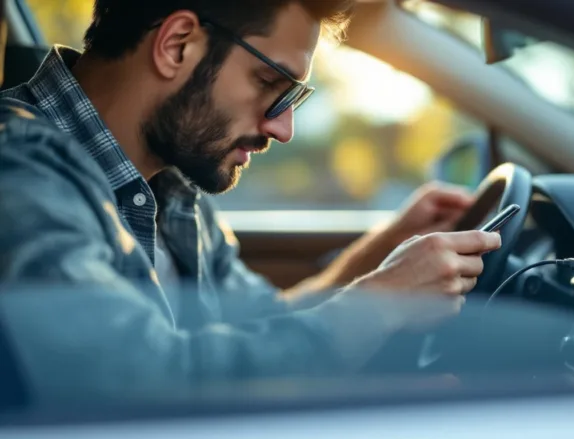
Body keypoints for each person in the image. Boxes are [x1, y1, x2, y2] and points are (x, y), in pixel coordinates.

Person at [0, 0, 500, 393]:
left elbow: (264, 326)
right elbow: (131, 382)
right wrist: (378, 303)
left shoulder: (167, 188)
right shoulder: (18, 169)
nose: (281, 128)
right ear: (177, 45)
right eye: (270, 83)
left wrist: (384, 252)